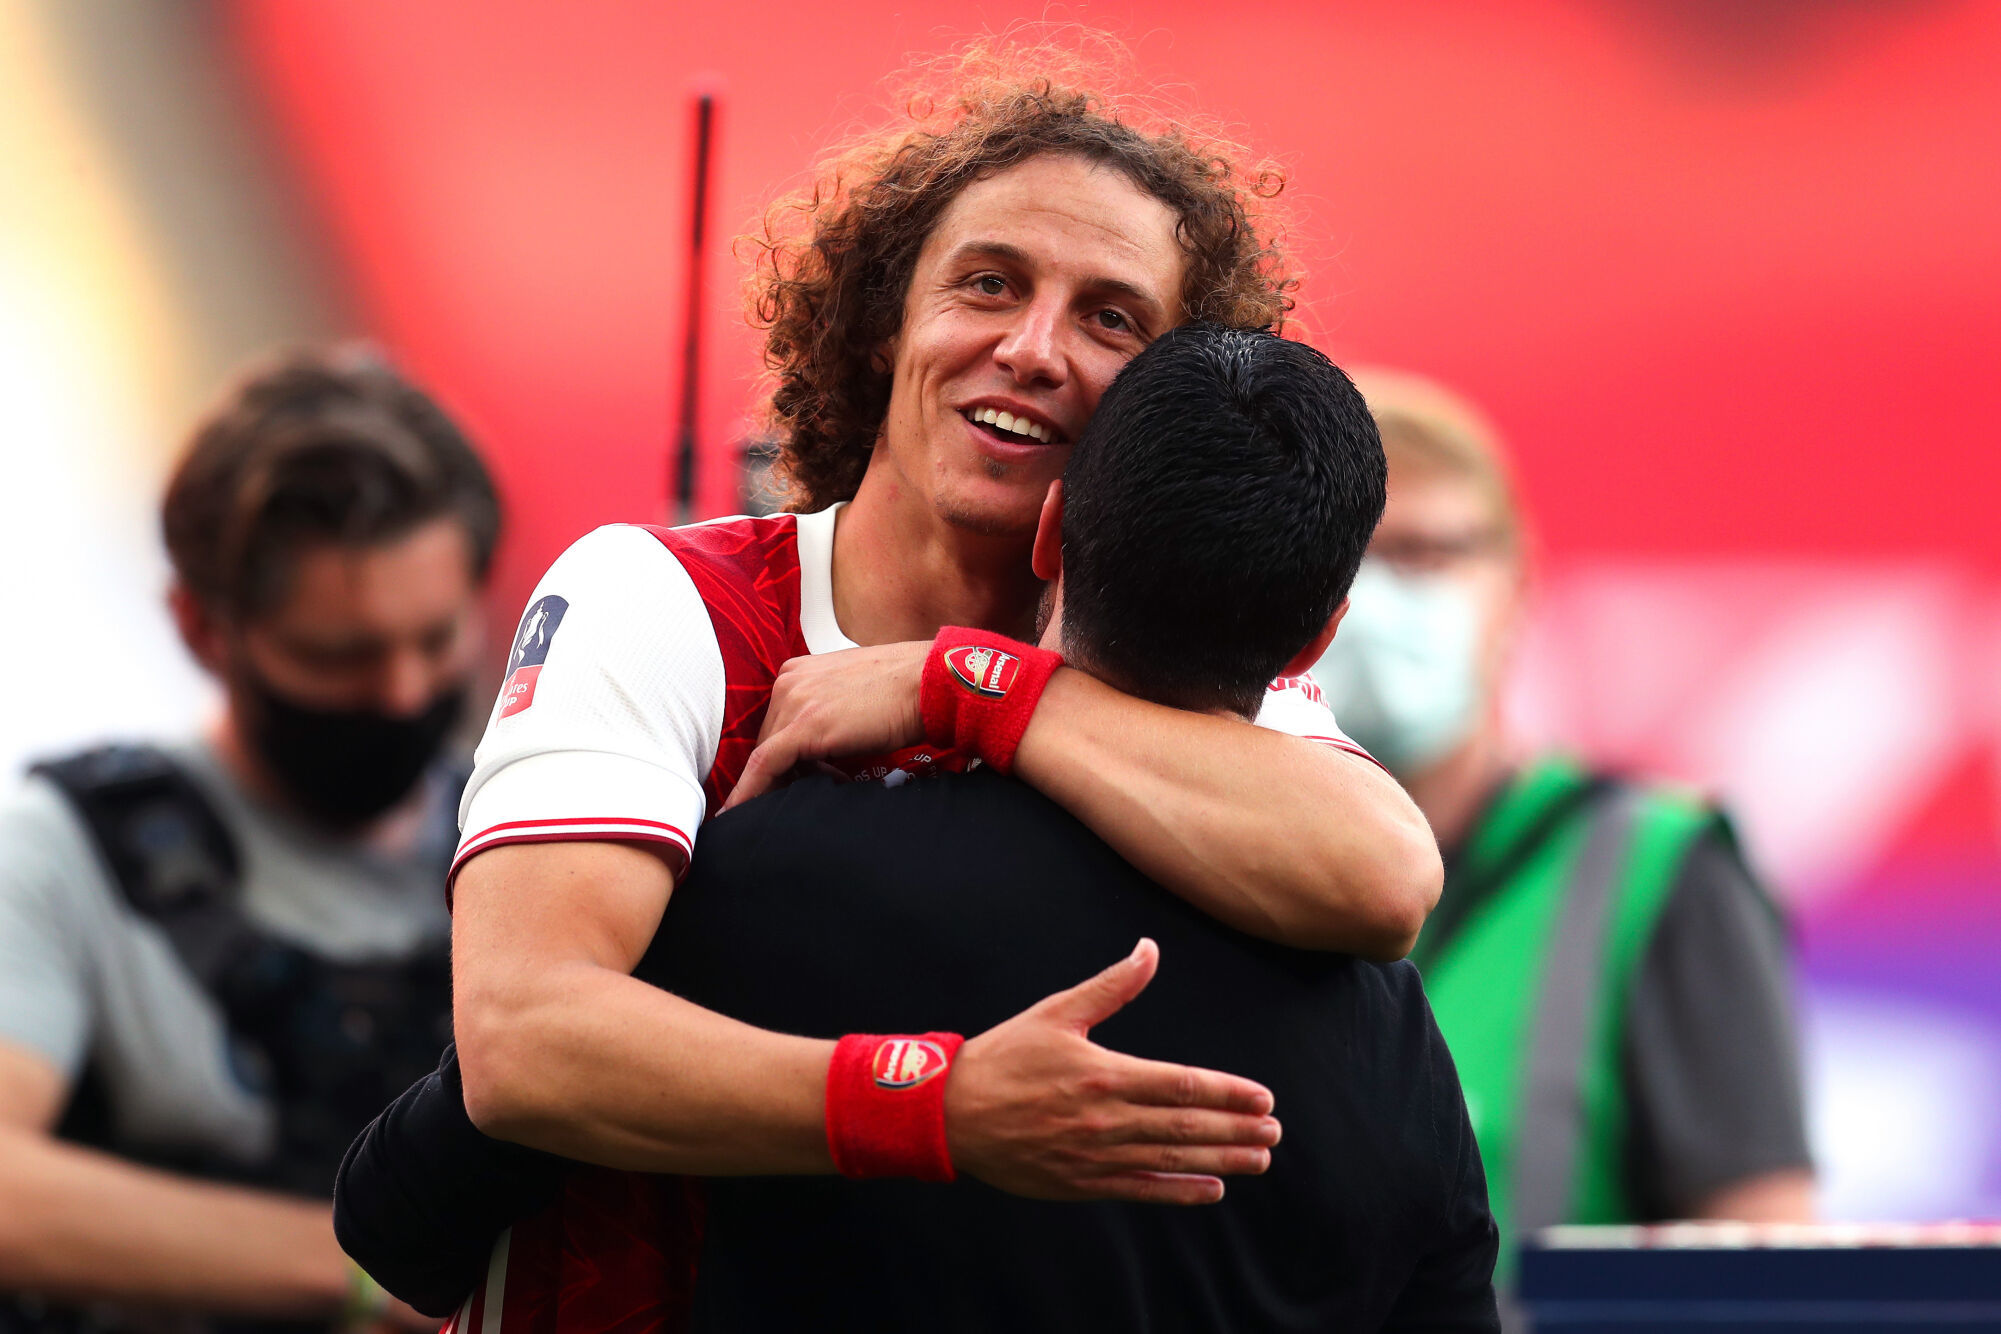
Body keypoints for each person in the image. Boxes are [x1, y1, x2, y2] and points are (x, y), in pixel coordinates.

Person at [377, 49, 1442, 1334]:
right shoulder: (666, 599)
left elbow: (1384, 878)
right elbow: (523, 1040)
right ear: (885, 317)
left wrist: (965, 686)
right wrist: (933, 1103)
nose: (1033, 348)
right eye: (987, 284)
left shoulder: (1185, 671)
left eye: (1111, 319)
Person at [0, 348, 499, 1333]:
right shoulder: (63, 851)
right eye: (340, 655)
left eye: (437, 639)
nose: (402, 692)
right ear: (200, 628)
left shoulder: (533, 837)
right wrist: (362, 1272)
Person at [1310, 369, 1814, 1276]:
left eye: (1425, 556)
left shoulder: (1654, 867)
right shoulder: (1215, 865)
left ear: (1517, 584)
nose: (1377, 601)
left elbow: (1766, 1261)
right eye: (1346, 556)